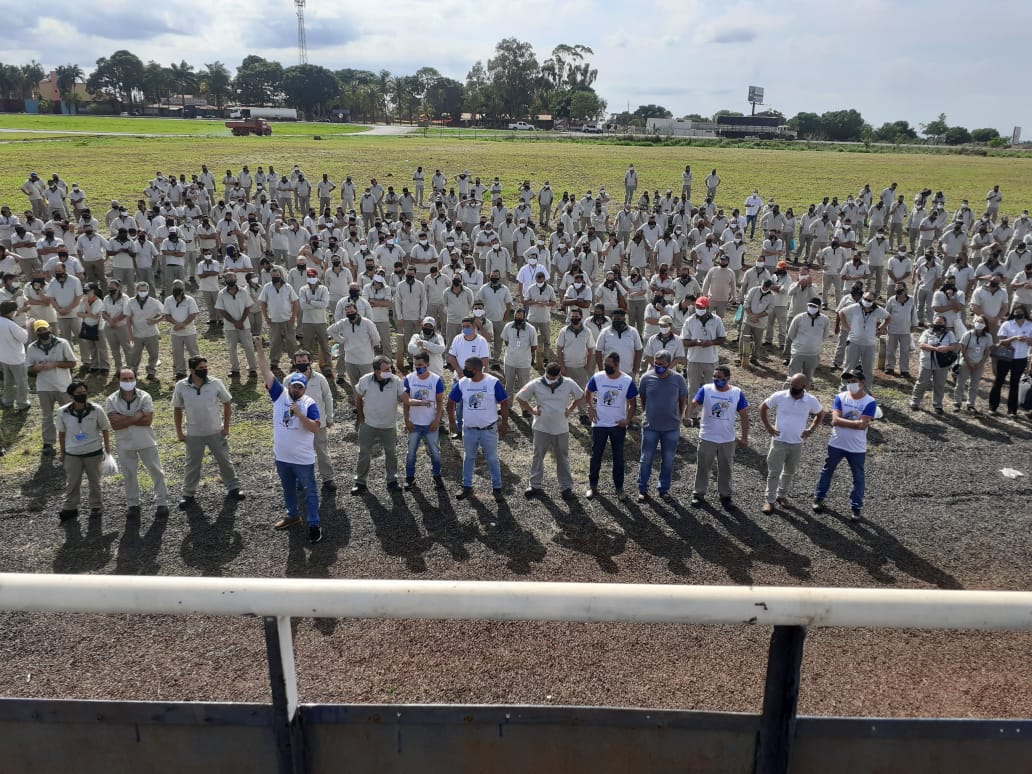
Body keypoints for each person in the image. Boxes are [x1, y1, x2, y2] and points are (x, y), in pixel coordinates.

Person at [254, 338, 322, 543]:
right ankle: (292, 515)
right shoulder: (279, 396)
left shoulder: (309, 404)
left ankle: (314, 524)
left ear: (305, 389)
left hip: (303, 459)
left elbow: (315, 428)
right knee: (288, 488)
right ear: (289, 385)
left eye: (300, 388)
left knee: (310, 492)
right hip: (282, 457)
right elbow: (266, 371)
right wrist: (259, 349)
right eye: (294, 386)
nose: (296, 390)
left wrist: (300, 415)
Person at [172, 356, 245, 508]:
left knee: (224, 460)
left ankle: (233, 487)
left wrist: (226, 427)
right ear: (192, 370)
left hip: (215, 431)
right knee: (192, 464)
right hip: (193, 433)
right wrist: (179, 431)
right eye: (200, 369)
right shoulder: (181, 386)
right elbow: (177, 409)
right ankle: (188, 494)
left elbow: (227, 402)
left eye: (206, 367)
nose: (204, 370)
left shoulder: (216, 383)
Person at [105, 367, 169, 519]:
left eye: (130, 378)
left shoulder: (144, 396)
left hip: (146, 440)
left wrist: (124, 418)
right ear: (118, 380)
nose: (128, 382)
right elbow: (115, 425)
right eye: (124, 379)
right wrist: (137, 416)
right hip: (125, 444)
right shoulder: (111, 400)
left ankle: (162, 502)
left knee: (156, 471)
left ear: (135, 378)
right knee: (129, 475)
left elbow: (148, 421)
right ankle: (133, 504)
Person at [813, 369, 876, 521]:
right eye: (848, 382)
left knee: (858, 477)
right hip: (836, 443)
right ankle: (818, 498)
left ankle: (856, 507)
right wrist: (856, 422)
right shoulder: (840, 397)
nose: (850, 384)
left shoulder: (870, 402)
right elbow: (834, 421)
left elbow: (862, 425)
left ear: (862, 383)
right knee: (827, 471)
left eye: (854, 381)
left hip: (856, 447)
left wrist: (845, 422)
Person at [516, 361, 583, 500]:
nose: (550, 380)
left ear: (559, 374)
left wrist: (570, 409)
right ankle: (534, 484)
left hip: (561, 428)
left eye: (553, 377)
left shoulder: (568, 382)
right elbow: (519, 397)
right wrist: (531, 410)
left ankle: (566, 487)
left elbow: (580, 396)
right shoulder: (536, 383)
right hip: (541, 427)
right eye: (548, 376)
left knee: (562, 458)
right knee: (538, 455)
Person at [759, 374, 824, 514]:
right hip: (779, 440)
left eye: (796, 386)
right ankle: (769, 500)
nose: (792, 388)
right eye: (791, 385)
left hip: (797, 442)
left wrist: (811, 430)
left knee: (789, 472)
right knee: (774, 472)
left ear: (804, 386)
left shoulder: (810, 400)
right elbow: (763, 407)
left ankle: (781, 496)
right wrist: (768, 427)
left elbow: (820, 414)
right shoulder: (780, 395)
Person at [447, 356, 509, 500]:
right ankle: (467, 486)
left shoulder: (493, 383)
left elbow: (504, 403)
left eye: (467, 368)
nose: (464, 370)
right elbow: (450, 403)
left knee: (492, 458)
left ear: (476, 369)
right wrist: (452, 423)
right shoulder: (462, 383)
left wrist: (504, 424)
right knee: (468, 458)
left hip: (489, 430)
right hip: (469, 430)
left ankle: (497, 488)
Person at [690, 365, 749, 508]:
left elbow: (744, 415)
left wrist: (744, 436)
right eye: (715, 377)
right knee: (703, 466)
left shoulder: (736, 393)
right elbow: (694, 403)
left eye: (720, 378)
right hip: (707, 437)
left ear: (728, 378)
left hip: (727, 439)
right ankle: (698, 493)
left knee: (726, 468)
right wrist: (687, 415)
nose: (716, 380)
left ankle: (725, 496)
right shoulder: (706, 389)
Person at [56, 380, 112, 522]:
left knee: (95, 481)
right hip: (72, 453)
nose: (82, 395)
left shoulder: (96, 409)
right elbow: (61, 434)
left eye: (84, 392)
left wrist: (107, 448)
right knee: (72, 482)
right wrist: (62, 452)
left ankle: (96, 506)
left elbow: (105, 428)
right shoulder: (63, 412)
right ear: (71, 395)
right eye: (78, 393)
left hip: (93, 452)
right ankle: (70, 508)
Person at [635, 350, 688, 502]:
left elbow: (682, 398)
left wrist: (680, 415)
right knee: (646, 459)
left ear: (669, 364)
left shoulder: (678, 379)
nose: (658, 367)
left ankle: (663, 489)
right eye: (656, 364)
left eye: (662, 364)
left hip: (671, 427)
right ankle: (642, 489)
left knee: (668, 460)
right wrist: (646, 413)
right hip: (650, 426)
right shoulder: (646, 378)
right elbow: (643, 398)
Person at [584, 351, 637, 500]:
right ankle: (592, 486)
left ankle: (619, 488)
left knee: (618, 457)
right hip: (599, 423)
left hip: (617, 425)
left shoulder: (626, 381)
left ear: (617, 365)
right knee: (596, 456)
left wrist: (627, 420)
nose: (606, 367)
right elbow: (588, 391)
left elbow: (633, 403)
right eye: (605, 365)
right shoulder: (598, 377)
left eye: (609, 365)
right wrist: (590, 407)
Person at [351, 355, 404, 494]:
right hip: (369, 424)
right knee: (364, 453)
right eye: (386, 369)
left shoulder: (395, 380)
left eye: (390, 368)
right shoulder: (365, 380)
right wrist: (361, 417)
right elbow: (358, 397)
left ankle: (392, 480)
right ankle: (360, 482)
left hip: (389, 425)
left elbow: (405, 399)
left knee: (391, 453)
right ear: (376, 371)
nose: (390, 371)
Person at [26, 319, 77, 455]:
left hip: (63, 385)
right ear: (35, 332)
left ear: (50, 329)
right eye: (39, 330)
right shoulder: (32, 347)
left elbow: (72, 363)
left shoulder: (62, 343)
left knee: (69, 414)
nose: (43, 332)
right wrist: (36, 368)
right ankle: (48, 443)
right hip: (44, 386)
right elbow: (29, 368)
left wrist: (55, 364)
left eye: (44, 329)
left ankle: (71, 439)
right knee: (47, 416)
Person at [290, 348, 336, 491]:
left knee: (322, 451)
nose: (302, 363)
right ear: (294, 363)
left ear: (310, 361)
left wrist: (329, 417)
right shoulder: (289, 379)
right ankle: (301, 479)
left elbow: (328, 397)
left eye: (304, 361)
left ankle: (328, 478)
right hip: (298, 424)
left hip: (318, 422)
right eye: (299, 361)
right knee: (299, 452)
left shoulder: (320, 378)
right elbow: (286, 401)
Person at [402, 352, 445, 490]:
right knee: (411, 453)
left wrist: (437, 421)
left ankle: (437, 476)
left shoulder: (436, 380)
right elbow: (405, 401)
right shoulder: (409, 379)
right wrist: (407, 420)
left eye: (420, 365)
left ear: (428, 364)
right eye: (415, 365)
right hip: (414, 423)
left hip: (430, 423)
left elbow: (440, 403)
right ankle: (409, 478)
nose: (417, 368)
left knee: (435, 452)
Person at [910, 315, 960, 413]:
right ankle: (915, 402)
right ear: (933, 322)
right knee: (921, 383)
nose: (938, 324)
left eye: (940, 323)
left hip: (942, 364)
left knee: (939, 384)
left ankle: (938, 405)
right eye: (936, 322)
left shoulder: (949, 333)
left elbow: (954, 346)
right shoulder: (927, 332)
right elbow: (921, 345)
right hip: (927, 362)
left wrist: (946, 348)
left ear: (944, 324)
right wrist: (934, 349)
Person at [988, 304, 1032, 416]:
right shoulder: (1007, 324)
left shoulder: (1030, 325)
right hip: (1006, 357)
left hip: (1021, 357)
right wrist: (1013, 339)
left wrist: (1028, 340)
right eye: (1016, 313)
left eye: (1020, 313)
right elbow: (1001, 341)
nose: (1018, 315)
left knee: (1015, 383)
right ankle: (993, 407)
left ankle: (1012, 410)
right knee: (999, 381)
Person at [327, 300, 380, 391]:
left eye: (352, 312)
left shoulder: (367, 323)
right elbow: (330, 330)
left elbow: (376, 339)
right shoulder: (344, 322)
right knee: (355, 386)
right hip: (350, 360)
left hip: (365, 360)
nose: (350, 314)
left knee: (369, 386)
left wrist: (368, 347)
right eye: (348, 312)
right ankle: (358, 404)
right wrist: (341, 340)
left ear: (357, 311)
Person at [953, 316, 992, 413]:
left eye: (981, 321)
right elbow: (963, 350)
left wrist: (981, 364)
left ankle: (971, 404)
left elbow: (987, 352)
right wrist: (969, 363)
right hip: (966, 363)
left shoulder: (988, 336)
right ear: (974, 322)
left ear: (985, 324)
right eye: (977, 321)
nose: (979, 323)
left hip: (979, 364)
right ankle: (957, 403)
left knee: (974, 385)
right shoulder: (968, 334)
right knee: (960, 383)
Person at [500, 305, 537, 404]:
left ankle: (525, 408)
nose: (518, 319)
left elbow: (534, 346)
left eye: (520, 317)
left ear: (524, 317)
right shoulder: (508, 326)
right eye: (516, 317)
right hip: (509, 361)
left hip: (524, 363)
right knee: (508, 385)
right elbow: (506, 340)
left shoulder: (531, 329)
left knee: (524, 386)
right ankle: (508, 406)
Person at [786, 299, 830, 380]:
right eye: (810, 305)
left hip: (813, 354)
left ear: (819, 307)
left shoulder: (825, 319)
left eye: (814, 306)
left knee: (808, 379)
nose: (812, 308)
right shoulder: (799, 318)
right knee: (792, 378)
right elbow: (791, 334)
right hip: (798, 352)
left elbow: (825, 335)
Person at [0, 300, 30, 411]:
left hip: (3, 357)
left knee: (8, 381)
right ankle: (22, 403)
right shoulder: (10, 324)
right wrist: (28, 326)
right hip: (16, 358)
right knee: (21, 382)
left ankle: (7, 400)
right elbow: (24, 338)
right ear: (11, 312)